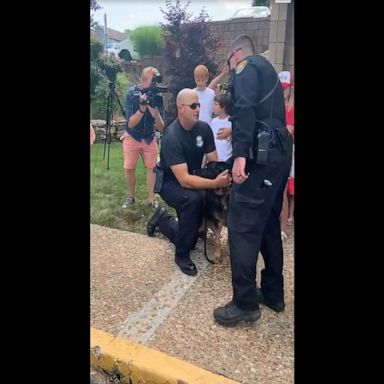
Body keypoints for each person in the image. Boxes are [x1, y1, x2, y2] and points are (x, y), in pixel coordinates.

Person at [213, 35, 293, 327]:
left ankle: (245, 302)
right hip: (278, 154)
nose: (230, 68)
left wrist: (240, 155)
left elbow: (243, 107)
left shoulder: (246, 66)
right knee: (269, 223)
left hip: (260, 158)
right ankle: (273, 293)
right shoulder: (268, 70)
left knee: (243, 226)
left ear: (236, 54)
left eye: (229, 62)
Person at [146, 88, 232, 276]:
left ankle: (162, 219)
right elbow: (184, 180)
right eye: (193, 105)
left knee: (191, 233)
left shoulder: (203, 128)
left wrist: (224, 174)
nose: (198, 109)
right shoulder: (172, 136)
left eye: (199, 105)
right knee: (193, 200)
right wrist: (215, 183)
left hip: (191, 177)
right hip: (170, 183)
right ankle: (182, 255)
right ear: (181, 109)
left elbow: (213, 161)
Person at [121, 66, 165, 210]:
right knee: (129, 167)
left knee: (152, 168)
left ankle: (152, 200)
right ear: (143, 81)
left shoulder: (157, 97)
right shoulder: (132, 93)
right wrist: (142, 109)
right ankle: (131, 197)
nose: (155, 85)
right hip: (132, 135)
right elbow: (131, 123)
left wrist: (154, 111)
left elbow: (161, 127)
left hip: (149, 136)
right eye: (152, 82)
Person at [278, 71, 295, 240]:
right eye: (280, 89)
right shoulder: (276, 105)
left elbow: (289, 132)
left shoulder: (290, 108)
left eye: (285, 89)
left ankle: (282, 228)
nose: (282, 92)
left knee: (283, 191)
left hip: (284, 151)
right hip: (274, 151)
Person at [211, 93, 233, 161]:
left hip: (227, 160)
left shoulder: (231, 122)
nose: (213, 106)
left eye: (215, 104)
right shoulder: (213, 121)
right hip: (215, 160)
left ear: (223, 106)